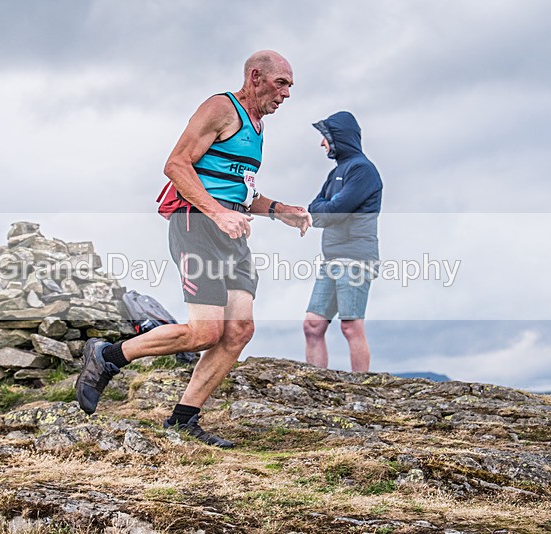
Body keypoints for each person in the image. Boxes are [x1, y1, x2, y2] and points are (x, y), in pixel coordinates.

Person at [76, 50, 311, 448]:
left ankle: (184, 420)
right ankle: (108, 356)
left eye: (290, 86)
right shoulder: (221, 108)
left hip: (231, 232)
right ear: (256, 77)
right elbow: (176, 165)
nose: (286, 94)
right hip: (197, 224)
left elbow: (240, 192)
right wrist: (218, 214)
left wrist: (279, 210)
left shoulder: (257, 128)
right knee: (205, 332)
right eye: (281, 84)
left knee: (239, 330)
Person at [302, 111, 382, 373]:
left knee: (350, 325)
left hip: (356, 258)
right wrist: (328, 209)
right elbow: (315, 210)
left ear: (339, 137)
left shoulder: (363, 170)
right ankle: (315, 384)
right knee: (312, 325)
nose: (321, 143)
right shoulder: (336, 173)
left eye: (325, 137)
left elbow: (334, 212)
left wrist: (328, 209)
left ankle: (360, 386)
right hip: (332, 259)